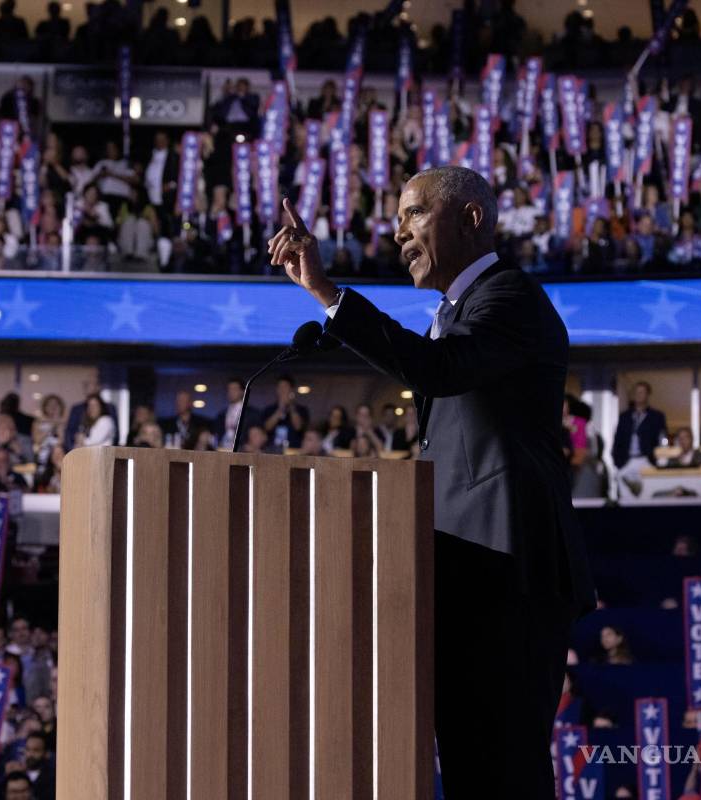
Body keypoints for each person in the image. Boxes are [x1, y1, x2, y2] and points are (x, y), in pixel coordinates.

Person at [270, 166, 595, 797]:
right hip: (467, 574)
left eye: (414, 213)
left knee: (504, 767)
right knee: (473, 767)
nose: (399, 234)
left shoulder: (510, 298)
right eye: (397, 220)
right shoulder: (457, 310)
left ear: (472, 216)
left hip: (512, 572)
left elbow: (439, 368)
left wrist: (328, 295)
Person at [611, 381, 668, 496]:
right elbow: (618, 440)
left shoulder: (657, 416)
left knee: (646, 494)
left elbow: (662, 439)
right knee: (625, 495)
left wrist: (658, 460)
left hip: (647, 460)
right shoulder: (624, 417)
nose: (639, 395)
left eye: (642, 392)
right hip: (627, 461)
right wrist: (618, 461)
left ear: (648, 395)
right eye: (636, 392)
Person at [260, 374, 310, 451]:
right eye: (280, 387)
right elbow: (266, 428)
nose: (282, 390)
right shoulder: (269, 409)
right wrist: (280, 409)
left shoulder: (301, 409)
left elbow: (298, 427)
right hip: (271, 448)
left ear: (291, 389)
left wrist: (291, 407)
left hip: (294, 449)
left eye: (285, 387)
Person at [213, 378, 260, 450]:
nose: (231, 392)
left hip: (242, 451)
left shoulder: (252, 413)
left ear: (242, 392)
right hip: (222, 450)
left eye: (234, 389)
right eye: (229, 389)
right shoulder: (221, 414)